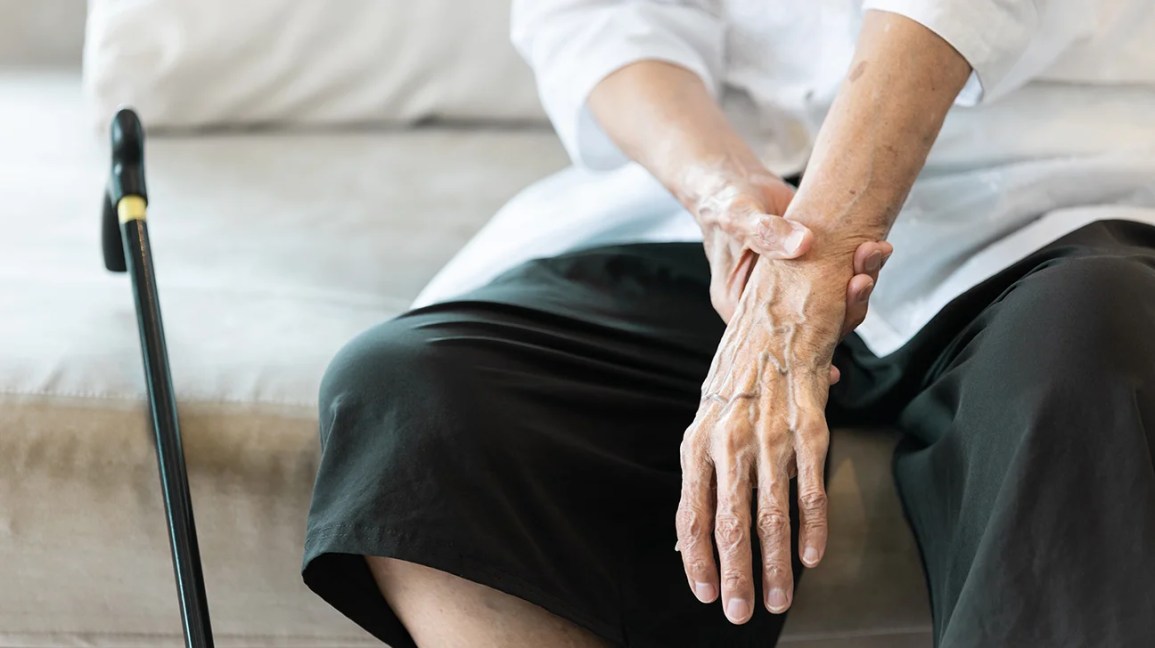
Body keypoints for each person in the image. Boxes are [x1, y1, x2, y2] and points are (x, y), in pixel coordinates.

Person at [302, 1, 1155, 646]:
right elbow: (600, 21)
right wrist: (719, 193)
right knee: (416, 394)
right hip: (724, 203)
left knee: (1092, 369)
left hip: (1042, 194)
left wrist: (798, 284)